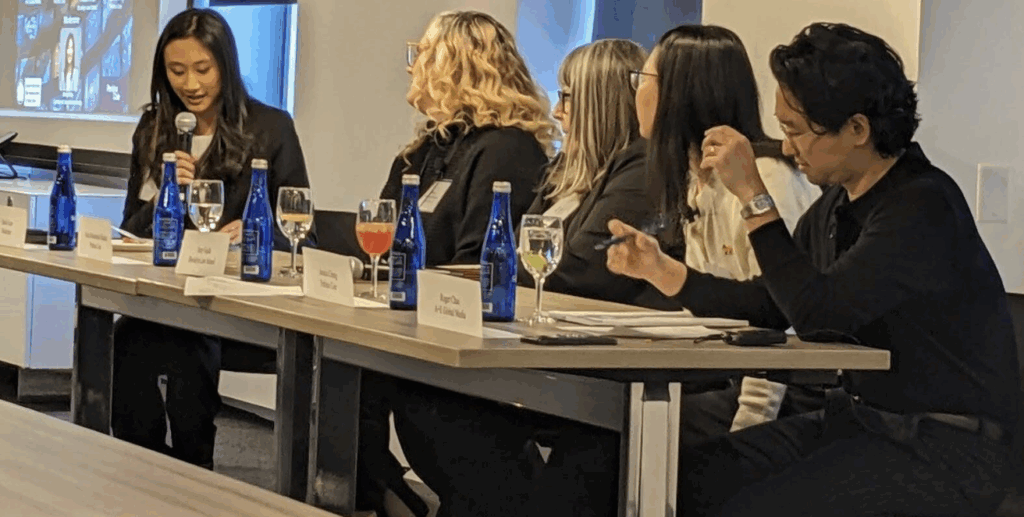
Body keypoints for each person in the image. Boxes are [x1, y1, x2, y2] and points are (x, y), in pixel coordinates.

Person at [607, 22, 1021, 516]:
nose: (786, 148)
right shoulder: (835, 206)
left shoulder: (921, 204)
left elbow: (819, 315)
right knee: (682, 478)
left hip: (945, 448)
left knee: (750, 505)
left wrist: (754, 197)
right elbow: (771, 303)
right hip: (862, 424)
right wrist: (663, 271)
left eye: (796, 131)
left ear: (858, 129)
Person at [353, 11, 556, 517]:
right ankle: (382, 494)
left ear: (457, 66)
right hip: (411, 324)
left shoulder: (507, 150)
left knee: (391, 398)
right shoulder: (428, 147)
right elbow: (384, 231)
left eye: (421, 53)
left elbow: (477, 263)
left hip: (465, 343)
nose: (411, 65)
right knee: (334, 379)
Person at [113, 8, 314, 469]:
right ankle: (142, 465)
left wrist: (258, 233)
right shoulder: (155, 129)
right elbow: (130, 231)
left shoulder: (270, 127)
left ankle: (193, 466)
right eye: (176, 71)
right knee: (123, 339)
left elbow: (303, 232)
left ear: (226, 64)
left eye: (203, 69)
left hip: (238, 304)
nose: (191, 84)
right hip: (169, 296)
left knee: (192, 337)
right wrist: (164, 198)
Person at [632, 25, 821, 443]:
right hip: (730, 379)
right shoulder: (697, 179)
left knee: (625, 435)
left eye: (643, 79)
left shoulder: (764, 178)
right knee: (612, 422)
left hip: (786, 392)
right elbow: (711, 312)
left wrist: (746, 433)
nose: (636, 92)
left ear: (681, 92)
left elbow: (779, 321)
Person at [518, 39, 658, 305]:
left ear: (599, 103)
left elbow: (580, 271)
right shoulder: (564, 168)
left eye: (566, 97)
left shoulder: (642, 170)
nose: (556, 111)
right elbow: (517, 246)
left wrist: (515, 265)